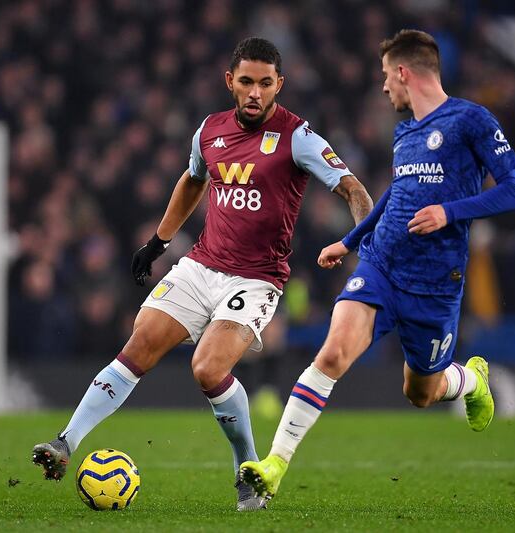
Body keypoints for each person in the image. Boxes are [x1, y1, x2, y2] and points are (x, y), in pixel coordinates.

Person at [31, 37, 373, 511]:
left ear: (280, 85)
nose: (256, 93)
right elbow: (193, 179)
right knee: (140, 343)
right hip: (200, 266)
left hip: (256, 279)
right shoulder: (209, 130)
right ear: (230, 81)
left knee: (208, 368)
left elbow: (352, 188)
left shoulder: (299, 137)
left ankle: (247, 469)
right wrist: (159, 241)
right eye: (248, 82)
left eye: (266, 84)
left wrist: (363, 243)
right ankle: (65, 443)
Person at [239, 29, 515, 501]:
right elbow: (399, 194)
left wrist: (450, 212)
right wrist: (351, 239)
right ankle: (275, 466)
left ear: (402, 72)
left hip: (435, 283)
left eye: (384, 77)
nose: (383, 88)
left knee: (421, 393)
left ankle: (472, 379)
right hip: (381, 265)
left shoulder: (471, 120)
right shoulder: (406, 131)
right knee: (332, 354)